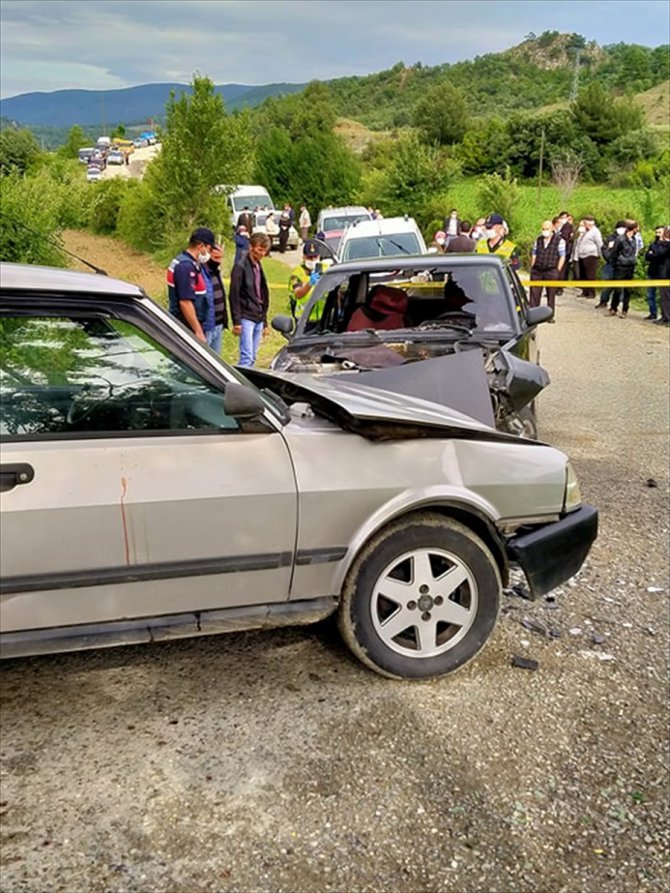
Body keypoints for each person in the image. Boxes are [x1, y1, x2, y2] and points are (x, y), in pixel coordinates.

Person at [167, 226, 216, 343]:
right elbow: (185, 302)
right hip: (186, 326)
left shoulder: (185, 261)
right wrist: (198, 331)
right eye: (209, 249)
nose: (209, 254)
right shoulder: (186, 267)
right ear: (201, 246)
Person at [229, 232, 271, 367]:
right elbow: (233, 294)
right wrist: (236, 321)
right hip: (246, 316)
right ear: (251, 247)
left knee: (253, 357)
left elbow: (262, 293)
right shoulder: (240, 267)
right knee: (246, 357)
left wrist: (264, 321)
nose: (262, 253)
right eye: (260, 249)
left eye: (265, 250)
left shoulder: (258, 266)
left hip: (258, 315)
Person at [528, 220, 565, 318]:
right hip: (537, 269)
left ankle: (549, 315)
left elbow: (562, 256)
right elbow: (534, 253)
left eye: (547, 229)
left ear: (552, 228)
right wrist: (532, 267)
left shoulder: (559, 240)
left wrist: (558, 270)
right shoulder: (538, 240)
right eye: (543, 229)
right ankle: (533, 314)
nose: (545, 231)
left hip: (551, 269)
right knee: (534, 294)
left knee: (551, 294)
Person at [201, 243, 228, 354]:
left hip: (218, 324)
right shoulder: (201, 273)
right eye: (216, 257)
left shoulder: (216, 272)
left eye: (221, 257)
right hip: (207, 325)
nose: (219, 261)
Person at [608, 220, 638, 318]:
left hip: (630, 266)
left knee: (627, 289)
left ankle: (625, 310)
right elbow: (614, 252)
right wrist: (613, 263)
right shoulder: (620, 239)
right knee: (617, 289)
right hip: (620, 266)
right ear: (633, 229)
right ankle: (613, 308)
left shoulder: (634, 239)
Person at [288, 240, 325, 321]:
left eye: (315, 257)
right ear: (304, 257)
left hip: (323, 318)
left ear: (319, 256)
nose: (312, 260)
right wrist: (310, 283)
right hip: (304, 319)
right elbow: (298, 294)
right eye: (309, 257)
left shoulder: (326, 269)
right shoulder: (297, 273)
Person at [596, 221, 626, 310]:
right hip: (610, 264)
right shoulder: (610, 238)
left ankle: (617, 304)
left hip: (621, 266)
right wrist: (609, 258)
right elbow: (604, 249)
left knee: (620, 286)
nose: (622, 229)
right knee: (607, 284)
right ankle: (603, 301)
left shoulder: (626, 239)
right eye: (620, 227)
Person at [573, 215, 602, 299]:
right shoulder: (586, 231)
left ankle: (591, 292)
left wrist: (600, 255)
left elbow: (599, 244)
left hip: (591, 256)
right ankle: (584, 291)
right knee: (583, 275)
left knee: (590, 275)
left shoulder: (595, 232)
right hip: (582, 256)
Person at [644, 226, 667, 320]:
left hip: (663, 273)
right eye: (656, 232)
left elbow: (660, 254)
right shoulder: (653, 244)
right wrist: (653, 254)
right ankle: (653, 313)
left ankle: (664, 315)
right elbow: (647, 256)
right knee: (650, 294)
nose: (657, 234)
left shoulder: (666, 245)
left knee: (663, 296)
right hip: (652, 271)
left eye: (660, 232)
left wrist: (653, 254)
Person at [655, 227, 670, 325]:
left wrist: (661, 242)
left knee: (665, 296)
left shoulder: (666, 245)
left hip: (666, 273)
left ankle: (667, 317)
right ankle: (664, 316)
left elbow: (660, 253)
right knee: (664, 296)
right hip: (664, 272)